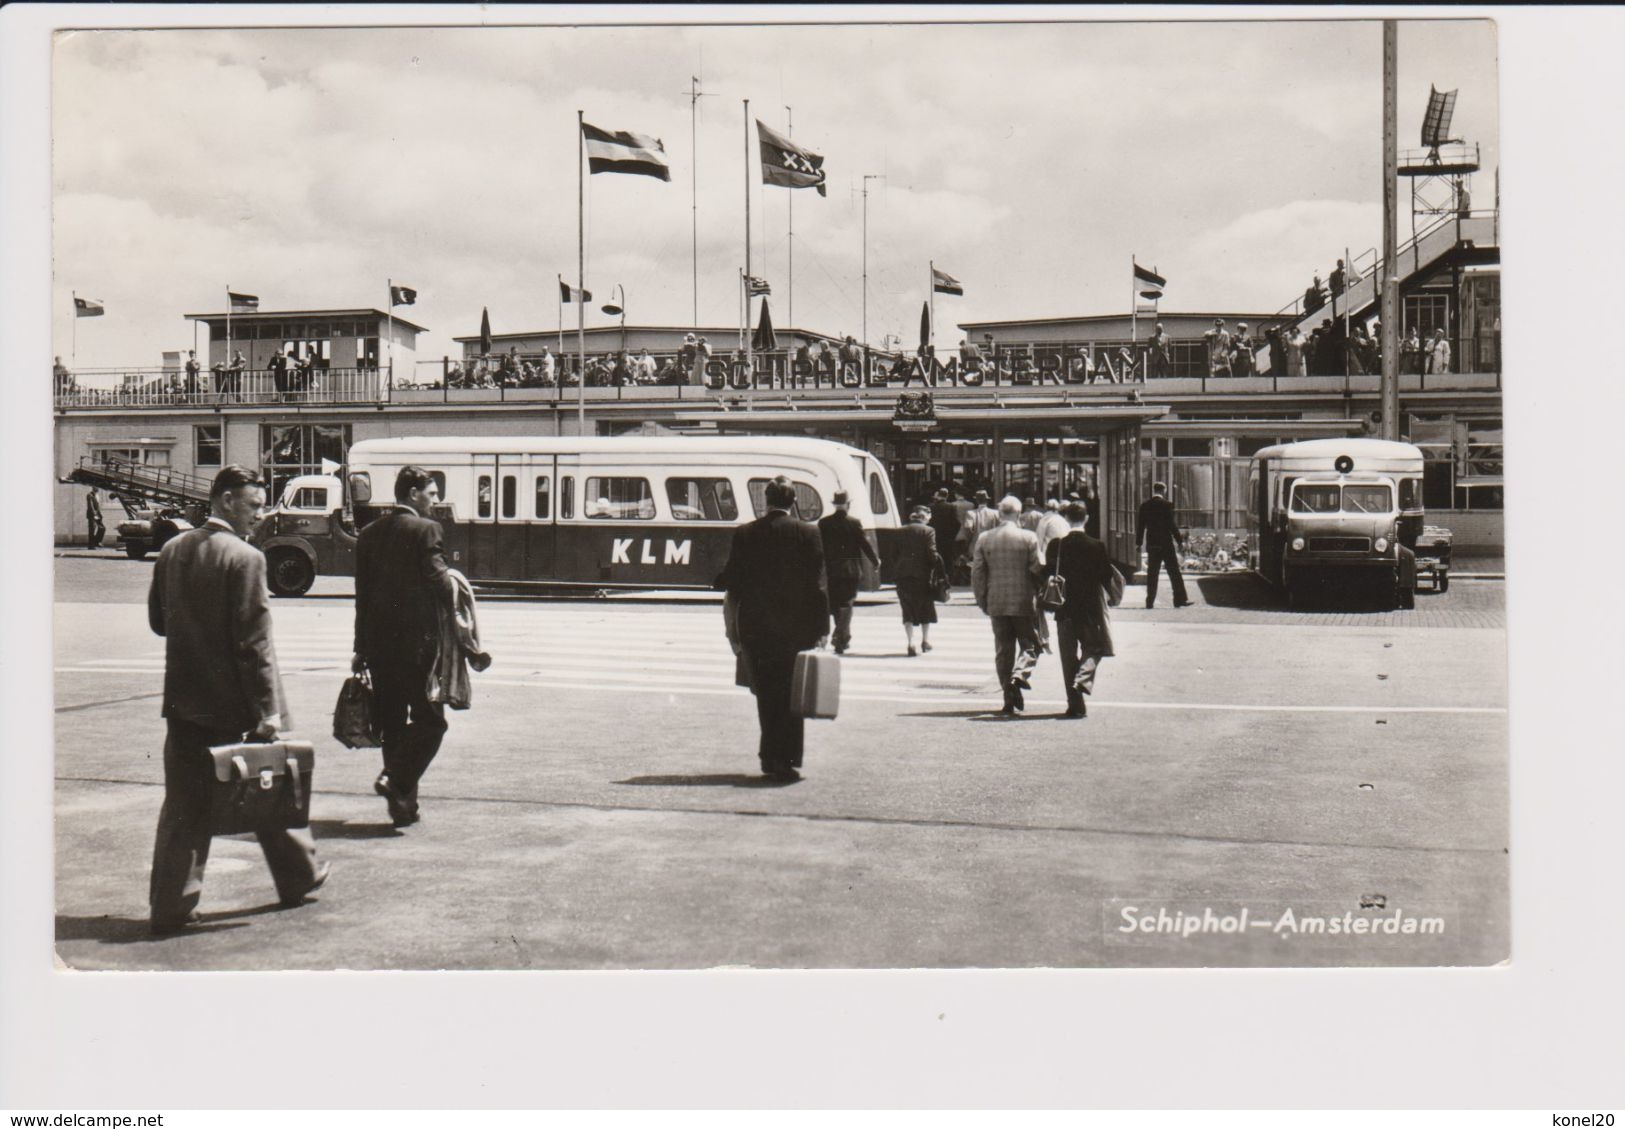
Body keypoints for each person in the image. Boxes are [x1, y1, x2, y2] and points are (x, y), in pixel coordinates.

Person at [146, 465, 328, 934]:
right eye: (253, 504)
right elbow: (254, 644)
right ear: (226, 501)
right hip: (234, 703)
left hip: (184, 701)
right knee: (263, 786)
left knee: (184, 804)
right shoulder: (246, 558)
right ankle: (299, 875)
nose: (260, 514)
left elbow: (158, 623)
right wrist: (267, 710)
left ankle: (170, 905)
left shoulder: (170, 550)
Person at [352, 465, 456, 827]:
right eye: (431, 492)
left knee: (393, 724)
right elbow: (439, 580)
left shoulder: (368, 533)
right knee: (432, 722)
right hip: (418, 646)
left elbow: (361, 596)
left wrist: (359, 647)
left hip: (379, 647)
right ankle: (395, 780)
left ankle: (402, 805)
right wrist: (458, 588)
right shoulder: (426, 529)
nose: (435, 499)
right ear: (412, 494)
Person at [715, 475, 829, 781]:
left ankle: (769, 757)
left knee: (766, 694)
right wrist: (823, 627)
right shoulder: (808, 532)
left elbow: (731, 581)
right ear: (793, 502)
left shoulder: (746, 533)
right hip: (796, 627)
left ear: (766, 501)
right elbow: (818, 586)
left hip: (756, 626)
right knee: (793, 692)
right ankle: (787, 760)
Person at [1046, 502, 1123, 718]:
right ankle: (1084, 677)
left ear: (1067, 519)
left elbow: (1047, 573)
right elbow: (1106, 576)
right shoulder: (1096, 545)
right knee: (1094, 647)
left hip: (1064, 609)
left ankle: (1075, 705)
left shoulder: (1057, 546)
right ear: (1086, 518)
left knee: (1067, 657)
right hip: (1089, 610)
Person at [972, 496, 1045, 715]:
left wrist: (982, 599)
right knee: (1031, 645)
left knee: (1003, 650)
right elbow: (1037, 568)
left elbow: (977, 572)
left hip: (996, 600)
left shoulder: (985, 538)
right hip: (1023, 601)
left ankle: (1008, 697)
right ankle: (1019, 675)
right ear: (1019, 514)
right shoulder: (1029, 538)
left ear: (1000, 513)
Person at [818, 491, 881, 655]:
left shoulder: (824, 523)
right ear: (848, 504)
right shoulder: (854, 523)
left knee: (836, 604)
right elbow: (864, 544)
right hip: (851, 570)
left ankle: (843, 637)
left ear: (835, 504)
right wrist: (875, 561)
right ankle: (840, 636)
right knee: (847, 604)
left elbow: (819, 547)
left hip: (831, 570)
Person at [893, 506, 944, 657]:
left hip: (903, 575)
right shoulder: (928, 531)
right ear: (924, 517)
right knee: (925, 607)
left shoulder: (899, 530)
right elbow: (931, 553)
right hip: (922, 576)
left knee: (907, 609)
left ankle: (911, 643)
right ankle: (925, 641)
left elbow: (893, 554)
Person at [1138, 481, 1191, 609]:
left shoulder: (1145, 505)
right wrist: (1179, 541)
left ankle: (1149, 601)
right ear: (1164, 490)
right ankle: (1179, 599)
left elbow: (1140, 526)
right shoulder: (1167, 505)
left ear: (1154, 490)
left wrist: (1138, 543)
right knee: (1174, 572)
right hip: (1166, 543)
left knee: (1152, 573)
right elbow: (1171, 525)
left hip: (1152, 543)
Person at [928, 489, 962, 582]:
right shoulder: (952, 507)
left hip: (934, 536)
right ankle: (948, 578)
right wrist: (952, 534)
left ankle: (935, 577)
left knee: (934, 556)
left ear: (937, 495)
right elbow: (957, 523)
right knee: (948, 558)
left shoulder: (931, 507)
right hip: (947, 538)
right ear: (947, 496)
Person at [962, 489, 1000, 557]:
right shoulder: (996, 513)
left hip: (975, 547)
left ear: (976, 500)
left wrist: (967, 544)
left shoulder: (970, 513)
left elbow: (968, 530)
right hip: (992, 547)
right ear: (987, 500)